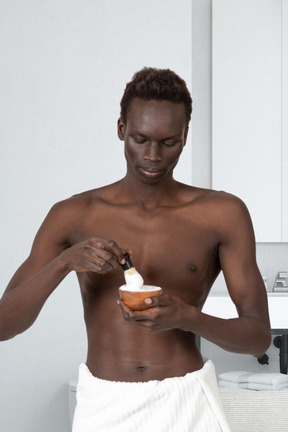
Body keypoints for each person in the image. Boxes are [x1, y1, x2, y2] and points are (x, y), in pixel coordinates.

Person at [0, 67, 271, 432]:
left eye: (168, 142)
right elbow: (4, 325)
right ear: (121, 129)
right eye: (141, 139)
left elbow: (258, 337)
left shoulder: (222, 214)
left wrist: (187, 317)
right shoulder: (74, 214)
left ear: (185, 135)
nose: (153, 155)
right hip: (104, 404)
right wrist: (65, 262)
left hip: (188, 400)